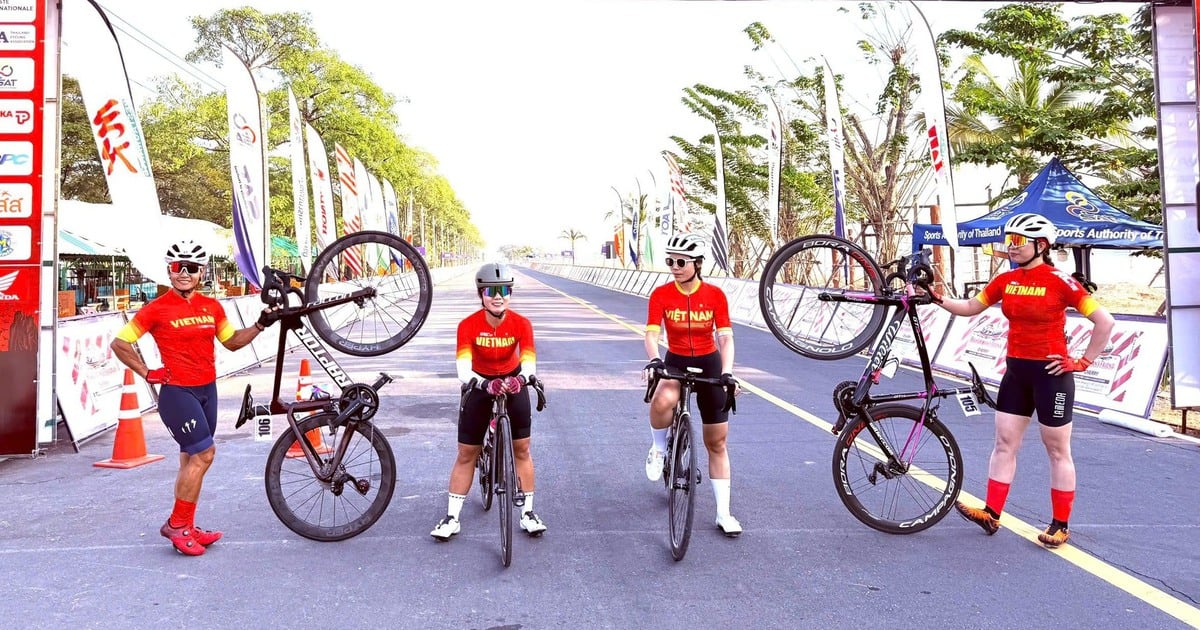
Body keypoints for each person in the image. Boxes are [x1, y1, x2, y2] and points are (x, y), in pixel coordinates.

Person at [926, 213, 1114, 549]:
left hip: (1051, 376)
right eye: (1006, 241)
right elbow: (970, 306)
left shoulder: (1061, 281)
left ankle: (1060, 525)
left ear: (1041, 246)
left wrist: (1083, 361)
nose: (1009, 248)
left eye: (1016, 242)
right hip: (1016, 372)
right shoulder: (1006, 280)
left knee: (1057, 450)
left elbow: (1105, 322)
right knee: (1003, 444)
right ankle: (991, 512)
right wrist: (937, 298)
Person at [111, 239, 278, 556]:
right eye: (178, 267)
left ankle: (186, 524)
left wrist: (259, 324)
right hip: (178, 393)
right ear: (170, 272)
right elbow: (120, 343)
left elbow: (231, 342)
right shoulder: (156, 309)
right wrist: (147, 372)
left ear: (202, 272)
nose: (184, 273)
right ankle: (176, 525)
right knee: (204, 455)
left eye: (191, 268)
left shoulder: (212, 307)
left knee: (191, 459)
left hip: (207, 391)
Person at [431, 263, 544, 540]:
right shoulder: (468, 325)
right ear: (481, 293)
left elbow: (528, 360)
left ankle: (528, 513)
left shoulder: (521, 323)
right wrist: (483, 383)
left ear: (510, 293)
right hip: (479, 383)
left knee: (523, 449)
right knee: (466, 453)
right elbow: (463, 369)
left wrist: (523, 379)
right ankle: (451, 518)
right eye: (491, 291)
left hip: (513, 380)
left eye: (504, 290)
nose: (498, 296)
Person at [643, 232, 742, 537]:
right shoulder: (661, 294)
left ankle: (723, 513)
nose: (674, 266)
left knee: (717, 442)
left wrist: (727, 373)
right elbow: (651, 333)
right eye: (669, 260)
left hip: (709, 362)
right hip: (675, 360)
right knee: (662, 399)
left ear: (697, 264)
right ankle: (659, 449)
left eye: (681, 262)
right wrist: (655, 359)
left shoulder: (715, 295)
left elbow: (725, 337)